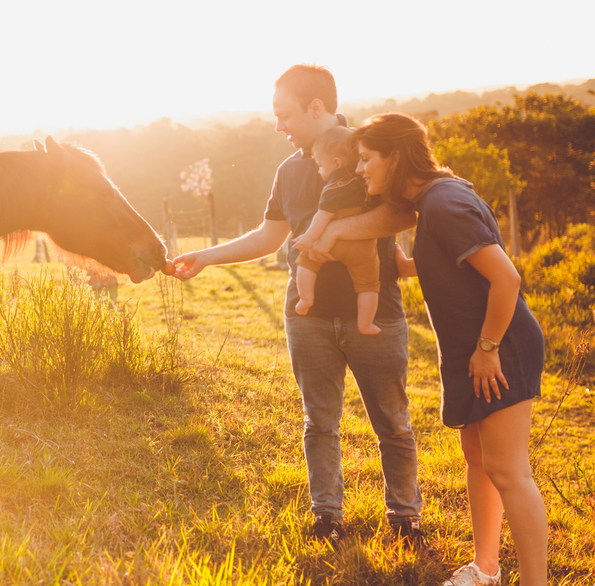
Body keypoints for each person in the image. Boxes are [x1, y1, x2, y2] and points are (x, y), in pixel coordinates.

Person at [172, 64, 423, 545]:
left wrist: (333, 233)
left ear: (317, 107)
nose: (277, 126)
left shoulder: (374, 152)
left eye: (284, 115)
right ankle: (327, 516)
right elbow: (269, 236)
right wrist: (208, 255)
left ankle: (406, 519)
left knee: (393, 422)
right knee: (319, 421)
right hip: (307, 318)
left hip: (376, 313)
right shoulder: (288, 169)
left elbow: (403, 211)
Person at [353, 112, 552, 586]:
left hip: (499, 346)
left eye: (366, 159)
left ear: (394, 157)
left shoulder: (444, 202)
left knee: (510, 470)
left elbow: (506, 278)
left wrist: (487, 348)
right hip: (475, 351)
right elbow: (458, 260)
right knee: (478, 457)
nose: (360, 169)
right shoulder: (434, 200)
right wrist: (408, 264)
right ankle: (486, 566)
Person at [292, 126, 380, 336]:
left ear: (337, 163)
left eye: (321, 165)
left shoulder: (335, 187)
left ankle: (305, 298)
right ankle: (365, 323)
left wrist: (309, 237)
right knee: (368, 284)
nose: (319, 170)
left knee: (306, 262)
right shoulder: (368, 179)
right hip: (363, 244)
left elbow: (323, 216)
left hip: (331, 244)